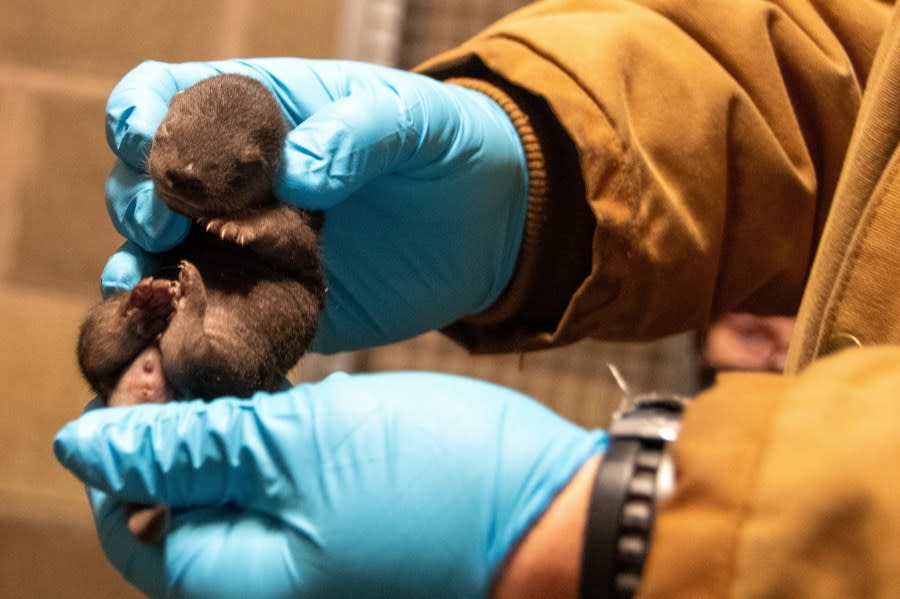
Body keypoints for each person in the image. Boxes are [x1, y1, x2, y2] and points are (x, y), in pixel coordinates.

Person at [53, 0, 900, 597]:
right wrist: (548, 169)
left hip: (218, 341)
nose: (177, 181)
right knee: (107, 344)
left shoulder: (280, 217)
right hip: (184, 331)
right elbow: (848, 60)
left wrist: (625, 528)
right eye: (167, 151)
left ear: (256, 167)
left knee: (197, 360)